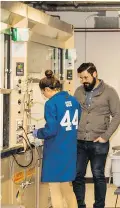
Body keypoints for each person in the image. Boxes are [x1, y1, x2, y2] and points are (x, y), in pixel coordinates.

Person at [72, 63, 120, 208]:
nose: (83, 81)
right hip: (79, 141)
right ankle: (80, 205)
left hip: (99, 142)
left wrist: (105, 136)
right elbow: (74, 114)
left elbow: (117, 115)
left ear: (95, 74)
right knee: (76, 175)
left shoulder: (109, 92)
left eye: (85, 77)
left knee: (98, 175)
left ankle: (99, 206)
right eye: (80, 78)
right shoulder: (78, 91)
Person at [33, 70, 80, 208]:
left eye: (43, 92)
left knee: (54, 188)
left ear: (47, 89)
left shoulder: (51, 103)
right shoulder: (73, 100)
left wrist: (37, 133)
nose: (44, 96)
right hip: (69, 149)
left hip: (55, 150)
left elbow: (51, 130)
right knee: (66, 186)